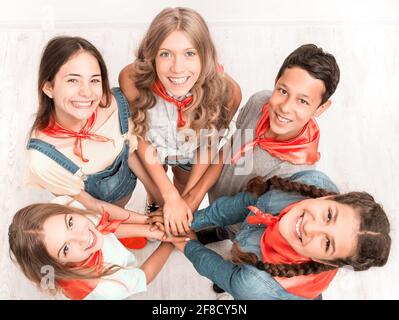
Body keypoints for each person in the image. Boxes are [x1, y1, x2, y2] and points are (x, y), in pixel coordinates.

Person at [182, 44, 341, 241]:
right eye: (283, 91)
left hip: (244, 226)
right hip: (215, 200)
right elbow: (230, 148)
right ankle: (216, 228)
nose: (285, 107)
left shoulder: (294, 172)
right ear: (276, 82)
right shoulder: (260, 102)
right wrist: (196, 194)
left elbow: (257, 216)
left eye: (303, 101)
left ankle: (224, 232)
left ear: (320, 108)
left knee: (232, 237)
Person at [150, 170, 391, 299]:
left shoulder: (255, 284)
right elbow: (245, 202)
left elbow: (215, 268)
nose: (310, 227)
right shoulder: (313, 182)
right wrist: (188, 220)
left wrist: (186, 243)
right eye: (329, 215)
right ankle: (221, 233)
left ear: (328, 263)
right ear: (329, 197)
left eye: (327, 243)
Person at [24, 36, 162, 248]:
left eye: (94, 80)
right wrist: (148, 223)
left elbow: (130, 151)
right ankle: (121, 233)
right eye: (72, 80)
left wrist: (157, 196)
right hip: (97, 209)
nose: (87, 92)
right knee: (105, 236)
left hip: (124, 187)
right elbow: (92, 206)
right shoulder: (43, 159)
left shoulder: (114, 106)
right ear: (49, 88)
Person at [119, 7, 241, 236]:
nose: (177, 68)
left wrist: (186, 202)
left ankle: (176, 205)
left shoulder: (228, 92)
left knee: (184, 181)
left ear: (205, 56)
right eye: (165, 54)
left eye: (189, 53)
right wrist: (167, 196)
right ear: (151, 55)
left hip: (191, 149)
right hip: (152, 146)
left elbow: (208, 144)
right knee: (157, 186)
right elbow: (140, 136)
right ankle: (156, 204)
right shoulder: (131, 80)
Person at [8, 196, 184, 300]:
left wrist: (152, 230)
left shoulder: (63, 204)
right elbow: (144, 276)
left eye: (70, 223)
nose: (83, 237)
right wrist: (168, 241)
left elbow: (101, 226)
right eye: (66, 248)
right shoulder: (105, 286)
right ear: (57, 265)